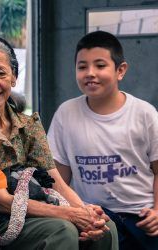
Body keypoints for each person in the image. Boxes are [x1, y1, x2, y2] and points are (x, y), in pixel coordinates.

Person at [0, 34, 118, 250]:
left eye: (0, 73)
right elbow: (2, 201)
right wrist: (68, 214)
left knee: (104, 226)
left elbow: (54, 178)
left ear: (13, 77)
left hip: (38, 207)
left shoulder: (28, 124)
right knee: (62, 230)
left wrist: (84, 213)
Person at [47, 30, 158, 250]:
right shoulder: (66, 113)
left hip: (142, 217)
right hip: (95, 219)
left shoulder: (145, 114)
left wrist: (157, 212)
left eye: (100, 65)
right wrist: (74, 214)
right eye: (82, 67)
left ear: (120, 70)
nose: (90, 73)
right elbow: (58, 177)